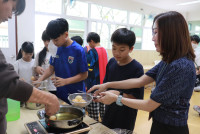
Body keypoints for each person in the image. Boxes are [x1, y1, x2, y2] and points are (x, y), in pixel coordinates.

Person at [88, 11, 196, 134]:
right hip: (160, 122)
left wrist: (117, 98)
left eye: (156, 32)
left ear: (171, 34)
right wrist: (107, 85)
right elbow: (140, 81)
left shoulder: (180, 66)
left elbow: (150, 105)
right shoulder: (168, 61)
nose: (152, 38)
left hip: (171, 128)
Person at [0, 0, 59, 134]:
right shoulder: (23, 61)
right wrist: (48, 98)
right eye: (13, 8)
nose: (10, 16)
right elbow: (6, 81)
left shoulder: (56, 53)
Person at [99, 28, 144, 131]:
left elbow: (136, 99)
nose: (116, 53)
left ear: (131, 49)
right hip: (109, 113)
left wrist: (117, 94)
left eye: (122, 50)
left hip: (125, 118)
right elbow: (107, 86)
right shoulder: (111, 62)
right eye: (114, 48)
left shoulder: (137, 68)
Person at [34, 18, 88, 103]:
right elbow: (51, 68)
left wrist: (66, 81)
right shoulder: (56, 48)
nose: (54, 43)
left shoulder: (78, 50)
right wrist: (40, 79)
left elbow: (84, 75)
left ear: (66, 34)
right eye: (52, 40)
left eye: (56, 40)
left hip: (77, 96)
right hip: (61, 93)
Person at [86, 32, 108, 121]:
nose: (89, 46)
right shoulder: (104, 50)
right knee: (103, 111)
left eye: (89, 43)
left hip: (93, 86)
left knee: (93, 114)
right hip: (104, 85)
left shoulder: (92, 51)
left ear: (91, 41)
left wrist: (87, 85)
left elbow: (88, 69)